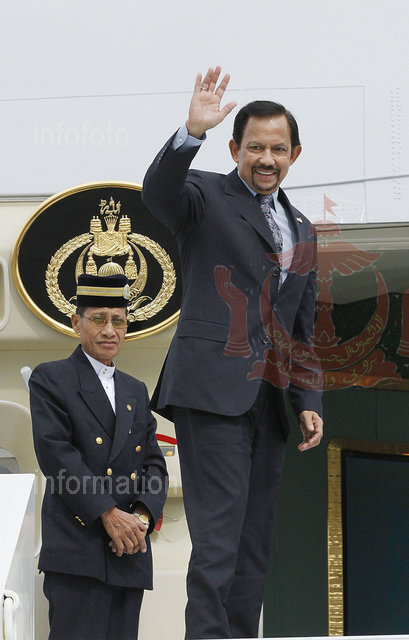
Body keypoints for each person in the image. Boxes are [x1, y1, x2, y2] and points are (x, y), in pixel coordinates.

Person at [142, 66, 323, 639]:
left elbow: (300, 328)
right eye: (255, 148)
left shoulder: (303, 228)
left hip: (269, 401)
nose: (266, 159)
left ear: (294, 154)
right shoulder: (203, 195)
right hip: (212, 392)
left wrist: (308, 401)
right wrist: (190, 133)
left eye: (277, 149)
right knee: (217, 544)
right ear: (234, 149)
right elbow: (158, 192)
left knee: (252, 546)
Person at [29, 273, 168, 640]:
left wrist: (140, 518)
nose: (110, 330)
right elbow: (57, 456)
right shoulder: (52, 379)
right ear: (77, 323)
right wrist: (108, 513)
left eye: (118, 321)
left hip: (129, 549)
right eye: (99, 319)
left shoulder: (135, 390)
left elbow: (154, 465)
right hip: (78, 547)